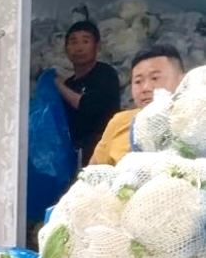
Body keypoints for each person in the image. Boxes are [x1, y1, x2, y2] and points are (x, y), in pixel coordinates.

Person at [91, 42, 185, 165]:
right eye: (138, 81)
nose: (145, 88)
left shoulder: (195, 122)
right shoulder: (120, 122)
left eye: (155, 78)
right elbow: (92, 172)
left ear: (182, 80)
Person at [58, 20, 123, 166]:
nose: (79, 48)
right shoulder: (69, 85)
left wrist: (59, 85)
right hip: (73, 155)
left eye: (85, 41)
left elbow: (88, 106)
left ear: (97, 46)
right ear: (66, 49)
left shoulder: (105, 74)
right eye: (73, 42)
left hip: (103, 153)